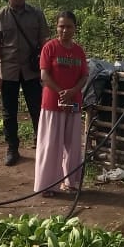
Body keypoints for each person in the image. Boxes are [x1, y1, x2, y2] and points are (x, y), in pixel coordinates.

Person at [0, 0, 50, 166]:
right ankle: (12, 148)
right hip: (9, 71)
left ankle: (42, 145)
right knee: (9, 113)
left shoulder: (37, 15)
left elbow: (45, 43)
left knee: (38, 110)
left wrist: (46, 70)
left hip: (32, 71)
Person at [34, 11, 88, 197]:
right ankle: (47, 185)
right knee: (51, 144)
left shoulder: (79, 51)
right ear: (56, 27)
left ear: (75, 28)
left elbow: (84, 76)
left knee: (72, 145)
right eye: (61, 26)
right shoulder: (49, 48)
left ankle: (70, 182)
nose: (65, 30)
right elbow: (44, 75)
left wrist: (73, 92)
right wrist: (61, 92)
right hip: (52, 103)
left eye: (69, 26)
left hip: (74, 103)